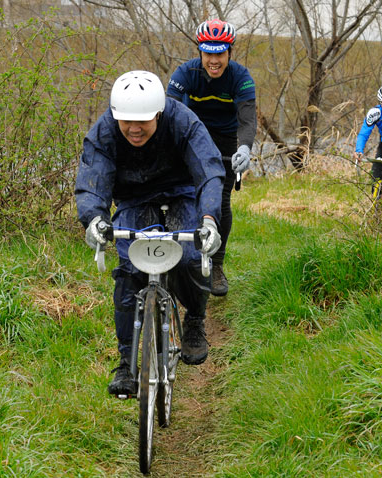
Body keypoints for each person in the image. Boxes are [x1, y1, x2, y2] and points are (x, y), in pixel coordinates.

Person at [75, 71, 226, 396]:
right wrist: (94, 219)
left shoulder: (183, 121)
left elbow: (209, 169)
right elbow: (93, 179)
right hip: (133, 198)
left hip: (181, 192)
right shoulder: (104, 131)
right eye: (126, 120)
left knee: (188, 256)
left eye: (142, 120)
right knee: (130, 270)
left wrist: (209, 220)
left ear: (158, 113)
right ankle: (127, 364)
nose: (133, 128)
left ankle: (195, 320)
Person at [166, 19, 257, 297]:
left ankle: (216, 265)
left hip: (226, 142)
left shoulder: (240, 78)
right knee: (178, 195)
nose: (214, 60)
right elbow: (170, 112)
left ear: (229, 52)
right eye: (208, 53)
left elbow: (247, 119)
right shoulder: (185, 74)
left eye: (220, 53)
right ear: (200, 52)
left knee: (220, 202)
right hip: (191, 135)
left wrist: (245, 148)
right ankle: (170, 257)